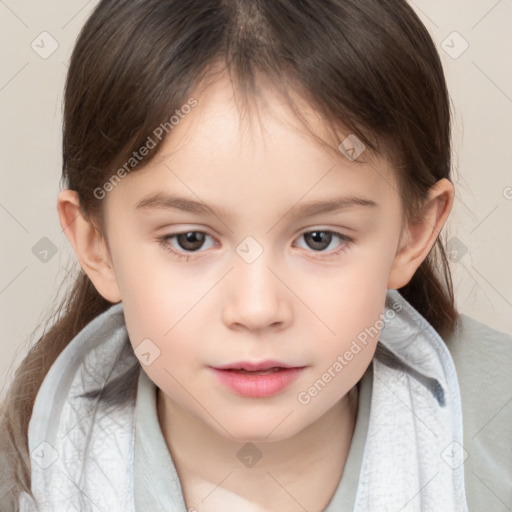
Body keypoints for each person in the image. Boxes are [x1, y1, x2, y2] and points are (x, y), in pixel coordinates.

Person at [1, 0, 510, 510]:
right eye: (190, 240)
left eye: (319, 239)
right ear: (97, 246)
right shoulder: (27, 471)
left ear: (412, 233)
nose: (257, 309)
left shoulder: (496, 431)